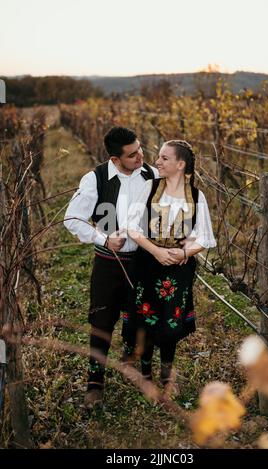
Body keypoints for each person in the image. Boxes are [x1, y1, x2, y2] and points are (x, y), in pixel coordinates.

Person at [64, 126, 159, 407]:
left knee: (142, 317)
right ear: (115, 160)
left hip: (143, 263)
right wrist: (103, 239)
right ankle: (95, 383)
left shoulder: (150, 175)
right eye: (132, 155)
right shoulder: (95, 179)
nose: (140, 157)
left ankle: (138, 366)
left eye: (140, 149)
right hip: (108, 263)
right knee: (101, 321)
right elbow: (72, 219)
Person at [121, 140, 217, 394]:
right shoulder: (149, 189)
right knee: (145, 317)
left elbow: (205, 237)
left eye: (164, 158)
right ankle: (145, 373)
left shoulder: (196, 197)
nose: (158, 162)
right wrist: (157, 251)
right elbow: (132, 227)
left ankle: (166, 374)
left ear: (180, 164)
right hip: (147, 264)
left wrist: (185, 251)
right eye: (159, 158)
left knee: (170, 319)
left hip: (178, 269)